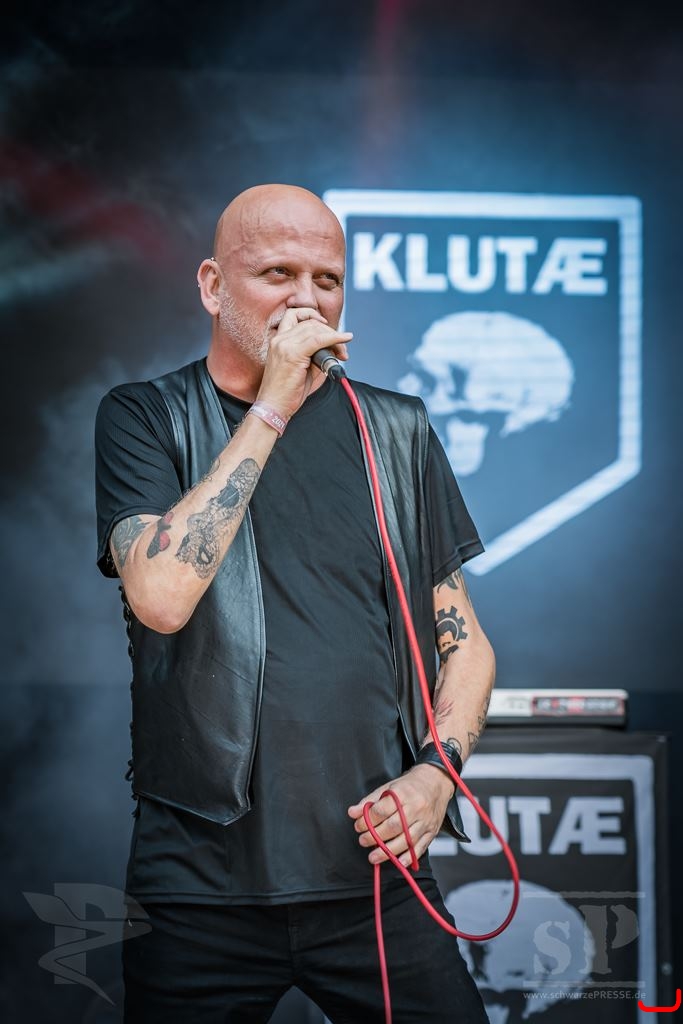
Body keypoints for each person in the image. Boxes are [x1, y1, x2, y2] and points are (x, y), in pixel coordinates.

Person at [95, 183, 494, 1023]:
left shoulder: (396, 431)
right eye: (277, 273)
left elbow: (463, 641)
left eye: (327, 279)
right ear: (213, 286)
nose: (306, 300)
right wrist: (272, 402)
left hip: (374, 878)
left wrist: (436, 777)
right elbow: (161, 597)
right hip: (199, 887)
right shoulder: (147, 417)